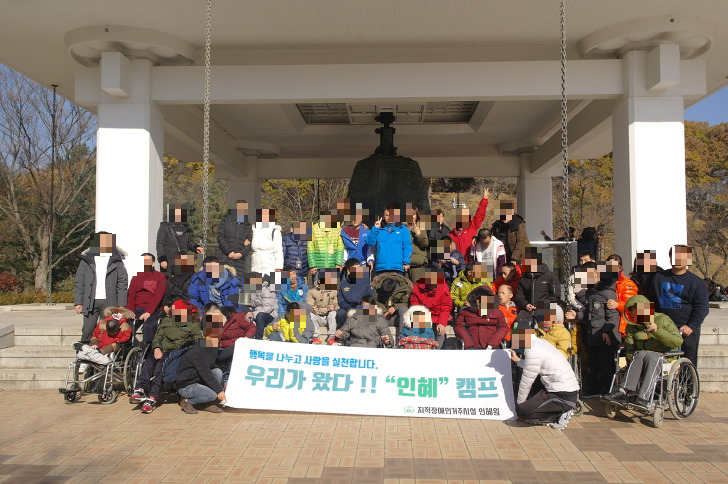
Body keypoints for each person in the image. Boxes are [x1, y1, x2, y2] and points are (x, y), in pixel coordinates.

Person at [602, 296, 682, 409]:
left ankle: (643, 397)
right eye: (632, 311)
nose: (634, 314)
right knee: (642, 354)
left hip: (665, 359)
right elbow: (630, 349)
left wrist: (657, 331)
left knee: (651, 356)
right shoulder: (631, 327)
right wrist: (635, 357)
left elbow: (677, 341)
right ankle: (623, 391)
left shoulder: (663, 319)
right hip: (640, 360)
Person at [130, 299, 202, 414]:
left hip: (174, 353)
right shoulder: (167, 321)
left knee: (160, 368)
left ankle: (153, 396)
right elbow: (158, 337)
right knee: (148, 363)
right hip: (160, 349)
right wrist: (156, 348)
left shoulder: (193, 325)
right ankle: (140, 389)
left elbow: (198, 341)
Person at [509, 328, 579, 430]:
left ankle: (561, 413)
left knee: (522, 410)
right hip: (565, 389)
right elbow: (532, 367)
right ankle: (561, 407)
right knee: (530, 399)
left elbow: (526, 381)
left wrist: (519, 405)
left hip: (563, 395)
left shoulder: (532, 350)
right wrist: (518, 360)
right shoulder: (540, 343)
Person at [652, 245, 709, 367]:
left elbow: (702, 308)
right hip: (662, 329)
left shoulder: (697, 282)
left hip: (685, 330)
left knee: (686, 366)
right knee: (661, 365)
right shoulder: (659, 278)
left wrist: (691, 326)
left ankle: (688, 380)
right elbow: (651, 301)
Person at [176, 305, 235, 414]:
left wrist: (237, 346)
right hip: (187, 385)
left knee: (217, 371)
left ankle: (208, 403)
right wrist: (219, 391)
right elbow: (205, 372)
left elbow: (220, 357)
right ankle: (187, 401)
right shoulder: (198, 350)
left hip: (199, 380)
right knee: (212, 394)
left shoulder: (210, 345)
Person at [74, 232, 128, 344]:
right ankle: (84, 351)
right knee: (88, 330)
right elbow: (79, 282)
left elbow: (122, 283)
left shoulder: (116, 260)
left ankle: (105, 353)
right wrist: (78, 302)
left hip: (110, 302)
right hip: (90, 302)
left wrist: (121, 304)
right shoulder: (87, 260)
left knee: (109, 330)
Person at [582, 262, 621, 398]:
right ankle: (594, 389)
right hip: (592, 335)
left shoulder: (608, 293)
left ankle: (607, 391)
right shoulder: (590, 292)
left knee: (605, 365)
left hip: (605, 336)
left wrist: (607, 331)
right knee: (592, 363)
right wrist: (576, 314)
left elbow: (613, 316)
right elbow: (588, 313)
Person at [126, 253, 167, 343]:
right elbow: (131, 296)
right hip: (137, 309)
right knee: (126, 326)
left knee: (148, 326)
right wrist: (130, 312)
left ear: (153, 263)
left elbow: (157, 297)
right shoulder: (135, 277)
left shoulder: (160, 277)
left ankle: (147, 348)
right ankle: (131, 347)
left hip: (153, 310)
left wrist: (148, 312)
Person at [156, 204, 204, 277]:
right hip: (169, 261)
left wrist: (196, 247)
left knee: (186, 280)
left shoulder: (186, 228)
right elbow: (160, 244)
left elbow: (190, 242)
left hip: (184, 259)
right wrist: (162, 259)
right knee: (170, 281)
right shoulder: (165, 227)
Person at [409, 268, 453, 346]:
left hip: (437, 317)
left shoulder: (443, 288)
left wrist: (442, 323)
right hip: (422, 315)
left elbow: (445, 308)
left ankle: (439, 349)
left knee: (441, 332)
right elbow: (415, 305)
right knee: (420, 332)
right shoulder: (417, 287)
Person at [367, 204, 412, 275]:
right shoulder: (378, 229)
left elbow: (407, 246)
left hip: (397, 268)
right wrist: (375, 228)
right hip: (381, 267)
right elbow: (370, 242)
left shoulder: (402, 229)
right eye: (387, 215)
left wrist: (406, 262)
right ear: (383, 216)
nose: (389, 217)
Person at [449, 187, 489, 262]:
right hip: (457, 265)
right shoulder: (450, 235)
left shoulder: (471, 227)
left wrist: (484, 199)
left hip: (472, 263)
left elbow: (479, 215)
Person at [515, 248, 561, 313]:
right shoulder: (522, 280)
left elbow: (555, 296)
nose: (522, 264)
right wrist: (525, 305)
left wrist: (540, 307)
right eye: (521, 262)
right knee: (520, 320)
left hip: (546, 310)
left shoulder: (550, 276)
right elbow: (519, 297)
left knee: (547, 319)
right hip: (527, 311)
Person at [604, 254, 639, 338]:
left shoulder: (627, 284)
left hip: (625, 327)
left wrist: (617, 305)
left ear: (620, 267)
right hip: (609, 324)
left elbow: (633, 307)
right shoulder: (604, 283)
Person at [217, 200, 253, 276]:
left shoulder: (248, 225)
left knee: (238, 281)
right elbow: (220, 237)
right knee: (221, 280)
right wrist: (229, 252)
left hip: (239, 262)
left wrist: (241, 253)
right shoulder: (226, 221)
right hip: (224, 258)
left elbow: (250, 242)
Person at [337, 258, 375, 328]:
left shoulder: (366, 282)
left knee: (369, 312)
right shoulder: (342, 284)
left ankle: (365, 333)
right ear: (348, 271)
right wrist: (349, 308)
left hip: (363, 308)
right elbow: (341, 301)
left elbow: (370, 297)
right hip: (348, 308)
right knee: (340, 313)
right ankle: (343, 332)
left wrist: (360, 309)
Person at [490, 199, 529, 264]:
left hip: (521, 257)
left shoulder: (518, 223)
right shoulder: (497, 224)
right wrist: (478, 238)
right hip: (504, 257)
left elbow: (521, 241)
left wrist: (514, 258)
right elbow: (489, 235)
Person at [307, 269, 339, 343]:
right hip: (317, 316)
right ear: (319, 281)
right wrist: (313, 309)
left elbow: (336, 305)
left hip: (328, 317)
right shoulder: (312, 291)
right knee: (310, 314)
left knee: (333, 313)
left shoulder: (334, 291)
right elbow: (310, 305)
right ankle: (315, 337)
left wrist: (334, 307)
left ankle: (331, 337)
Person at [308, 210, 344, 276]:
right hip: (318, 267)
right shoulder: (313, 228)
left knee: (332, 283)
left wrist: (338, 263)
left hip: (333, 265)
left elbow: (340, 248)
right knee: (318, 283)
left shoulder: (338, 228)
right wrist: (312, 265)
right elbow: (310, 248)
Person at [250, 208, 283, 274]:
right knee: (254, 281)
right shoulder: (254, 230)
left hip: (271, 266)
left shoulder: (275, 231)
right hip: (255, 265)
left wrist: (279, 267)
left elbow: (278, 250)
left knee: (273, 281)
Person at [340, 203, 373, 268]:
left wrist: (370, 260)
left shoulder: (367, 231)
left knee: (362, 275)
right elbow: (344, 248)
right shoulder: (344, 232)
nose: (355, 220)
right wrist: (343, 261)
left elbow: (370, 248)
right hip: (349, 264)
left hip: (363, 264)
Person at [404, 204, 430, 284]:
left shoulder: (420, 225)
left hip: (417, 263)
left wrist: (419, 234)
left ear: (417, 215)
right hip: (404, 263)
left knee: (417, 287)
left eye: (413, 214)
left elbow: (425, 244)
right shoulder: (402, 227)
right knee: (406, 287)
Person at [250, 272, 280, 340]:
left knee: (260, 315)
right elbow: (254, 305)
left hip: (270, 316)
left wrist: (253, 314)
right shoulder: (254, 290)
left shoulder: (266, 289)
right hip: (257, 312)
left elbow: (267, 308)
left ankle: (258, 339)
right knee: (241, 309)